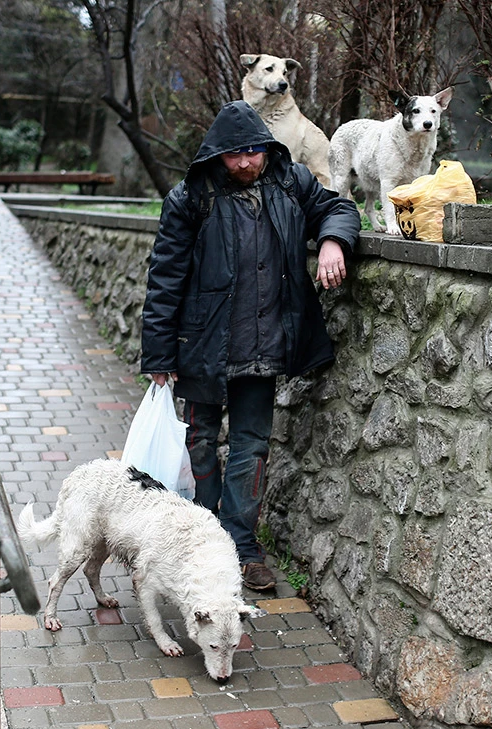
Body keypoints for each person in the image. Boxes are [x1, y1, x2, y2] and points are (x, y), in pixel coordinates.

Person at [141, 101, 360, 591]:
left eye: (252, 152)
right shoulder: (189, 197)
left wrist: (332, 242)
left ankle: (241, 546)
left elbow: (339, 208)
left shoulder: (290, 182)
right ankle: (204, 534)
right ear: (217, 155)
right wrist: (158, 353)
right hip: (201, 344)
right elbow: (165, 277)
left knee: (251, 446)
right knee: (200, 442)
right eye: (234, 155)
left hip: (264, 346)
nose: (244, 163)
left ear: (266, 146)